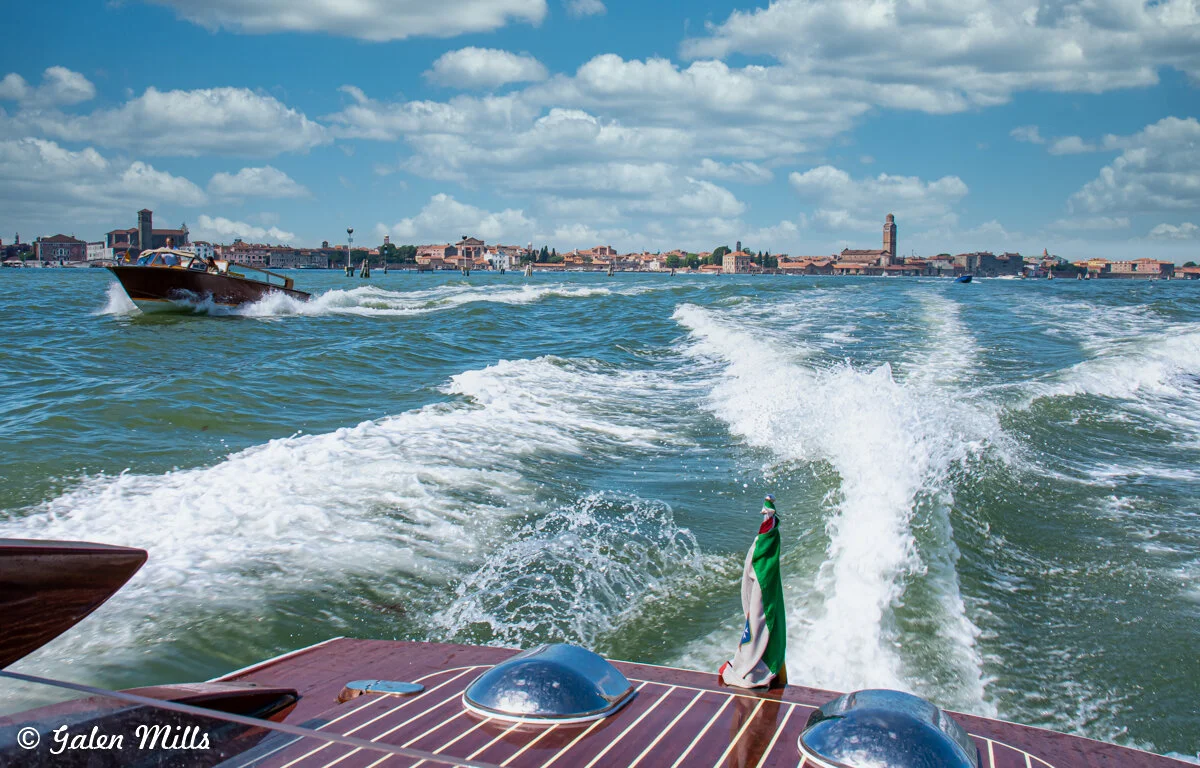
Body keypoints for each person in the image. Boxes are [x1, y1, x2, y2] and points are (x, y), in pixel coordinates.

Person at [718, 495, 787, 689]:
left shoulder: (764, 568)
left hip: (762, 665)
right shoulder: (764, 563)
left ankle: (755, 666)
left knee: (761, 611)